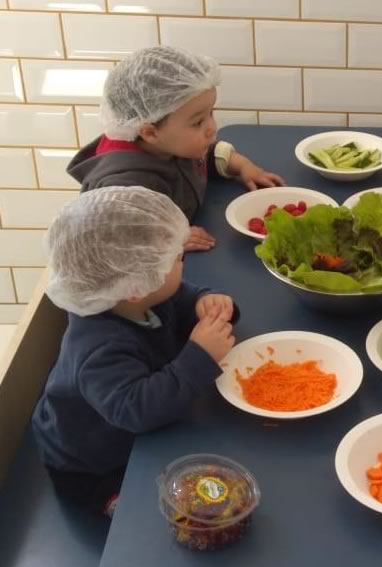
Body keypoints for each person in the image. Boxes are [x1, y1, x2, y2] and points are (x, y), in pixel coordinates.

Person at [31, 186, 237, 517]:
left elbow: (179, 296)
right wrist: (199, 356)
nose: (182, 263)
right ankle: (106, 500)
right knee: (102, 494)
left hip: (124, 426)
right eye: (177, 259)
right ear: (136, 287)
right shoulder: (99, 348)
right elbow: (136, 410)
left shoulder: (140, 296)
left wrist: (206, 300)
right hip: (88, 457)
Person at [67, 45, 285, 252]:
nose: (211, 128)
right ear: (150, 132)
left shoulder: (171, 144)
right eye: (198, 122)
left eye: (210, 113)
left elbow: (206, 154)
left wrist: (243, 166)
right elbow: (112, 247)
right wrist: (168, 241)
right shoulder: (125, 188)